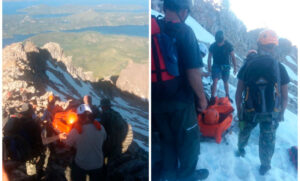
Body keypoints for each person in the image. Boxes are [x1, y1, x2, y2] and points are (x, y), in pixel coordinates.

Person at [151, 0, 208, 180]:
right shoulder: (185, 32)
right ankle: (187, 175)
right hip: (181, 102)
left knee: (167, 140)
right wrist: (201, 98)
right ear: (184, 12)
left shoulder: (155, 29)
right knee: (188, 141)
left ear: (165, 8)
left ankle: (168, 175)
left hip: (157, 103)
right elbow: (193, 73)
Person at [235, 29, 290, 175]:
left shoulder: (247, 65)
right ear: (274, 47)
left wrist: (240, 110)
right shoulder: (280, 67)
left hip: (250, 110)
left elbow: (238, 92)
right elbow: (285, 97)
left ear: (259, 44)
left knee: (244, 131)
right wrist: (281, 113)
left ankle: (241, 149)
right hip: (272, 113)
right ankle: (265, 166)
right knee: (267, 140)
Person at [65, 104, 106, 181]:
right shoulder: (101, 128)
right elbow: (104, 139)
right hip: (98, 164)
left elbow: (67, 146)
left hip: (82, 165)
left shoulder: (75, 131)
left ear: (79, 117)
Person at [208, 30, 237, 101]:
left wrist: (235, 67)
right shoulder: (213, 46)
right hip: (216, 65)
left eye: (220, 42)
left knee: (225, 81)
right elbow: (209, 57)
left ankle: (227, 96)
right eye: (218, 42)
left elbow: (233, 57)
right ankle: (212, 97)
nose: (219, 44)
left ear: (223, 39)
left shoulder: (228, 45)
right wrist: (209, 67)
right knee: (215, 80)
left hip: (226, 66)